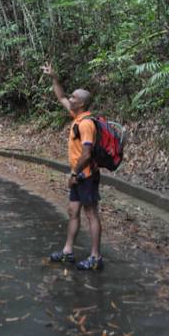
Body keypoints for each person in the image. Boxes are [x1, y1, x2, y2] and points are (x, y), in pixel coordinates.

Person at [42, 62, 104, 271]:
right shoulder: (77, 116)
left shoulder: (86, 123)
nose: (70, 98)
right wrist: (54, 77)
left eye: (74, 97)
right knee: (73, 211)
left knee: (91, 213)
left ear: (82, 103)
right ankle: (67, 252)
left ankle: (95, 257)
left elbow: (86, 153)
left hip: (85, 175)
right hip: (78, 175)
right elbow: (60, 97)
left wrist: (74, 174)